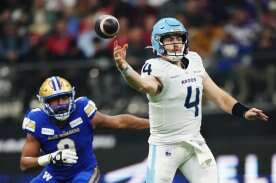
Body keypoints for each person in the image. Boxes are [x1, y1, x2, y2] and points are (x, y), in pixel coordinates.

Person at [113, 17, 269, 183]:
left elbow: (217, 95)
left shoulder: (194, 60)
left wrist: (243, 111)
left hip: (195, 144)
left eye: (178, 38)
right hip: (166, 147)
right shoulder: (155, 66)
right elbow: (145, 85)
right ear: (158, 42)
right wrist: (125, 69)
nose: (175, 43)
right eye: (169, 39)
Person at [20, 76, 149, 183]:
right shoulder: (37, 120)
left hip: (83, 171)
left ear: (71, 97)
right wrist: (50, 158)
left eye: (64, 98)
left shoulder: (82, 110)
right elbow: (25, 164)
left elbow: (119, 122)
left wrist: (152, 123)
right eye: (54, 100)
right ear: (44, 103)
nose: (60, 104)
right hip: (54, 174)